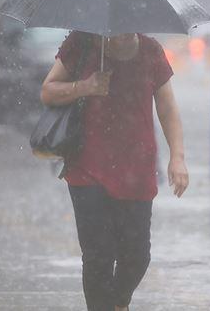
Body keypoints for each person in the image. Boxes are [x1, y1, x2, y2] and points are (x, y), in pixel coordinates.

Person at [40, 31, 189, 311]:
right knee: (98, 255)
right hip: (87, 167)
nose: (123, 30)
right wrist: (85, 87)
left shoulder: (150, 50)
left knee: (137, 256)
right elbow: (48, 91)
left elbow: (167, 107)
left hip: (137, 168)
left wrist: (177, 157)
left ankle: (118, 304)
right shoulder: (81, 42)